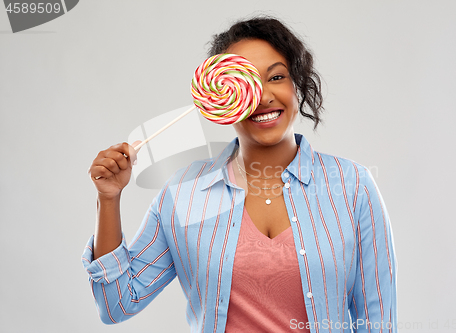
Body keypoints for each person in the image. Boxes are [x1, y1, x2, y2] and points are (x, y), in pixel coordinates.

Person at [83, 16, 398, 333]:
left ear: (296, 84)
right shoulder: (183, 194)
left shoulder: (353, 186)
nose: (262, 97)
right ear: (221, 98)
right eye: (244, 82)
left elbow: (378, 320)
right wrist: (108, 199)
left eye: (275, 77)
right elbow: (117, 305)